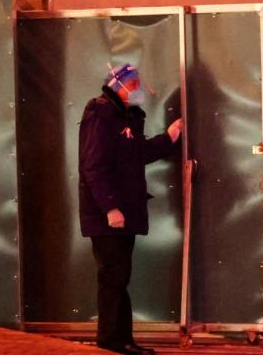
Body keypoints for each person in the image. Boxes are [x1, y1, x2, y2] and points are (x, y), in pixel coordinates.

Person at [78, 63, 182, 355]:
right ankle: (111, 340)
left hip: (123, 213)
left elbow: (137, 154)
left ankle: (122, 339)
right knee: (113, 276)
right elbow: (93, 167)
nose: (138, 90)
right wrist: (110, 208)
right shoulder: (101, 114)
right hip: (108, 217)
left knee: (119, 276)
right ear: (118, 85)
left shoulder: (126, 117)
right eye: (134, 84)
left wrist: (169, 138)